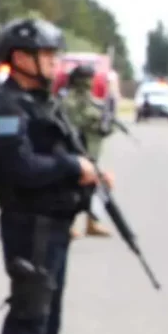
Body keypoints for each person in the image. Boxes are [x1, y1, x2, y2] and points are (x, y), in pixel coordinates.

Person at [0, 18, 113, 334]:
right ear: (22, 59)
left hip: (53, 225)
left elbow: (61, 148)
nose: (55, 62)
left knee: (48, 320)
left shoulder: (43, 103)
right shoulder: (8, 108)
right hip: (29, 226)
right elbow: (19, 167)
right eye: (47, 55)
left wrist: (92, 171)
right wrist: (71, 166)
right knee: (30, 319)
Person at [61, 64, 113, 238]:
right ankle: (67, 224)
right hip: (76, 151)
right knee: (73, 189)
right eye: (87, 78)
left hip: (92, 150)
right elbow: (74, 122)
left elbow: (102, 126)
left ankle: (92, 223)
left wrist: (106, 124)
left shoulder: (92, 100)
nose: (90, 82)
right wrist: (95, 121)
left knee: (98, 186)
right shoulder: (70, 101)